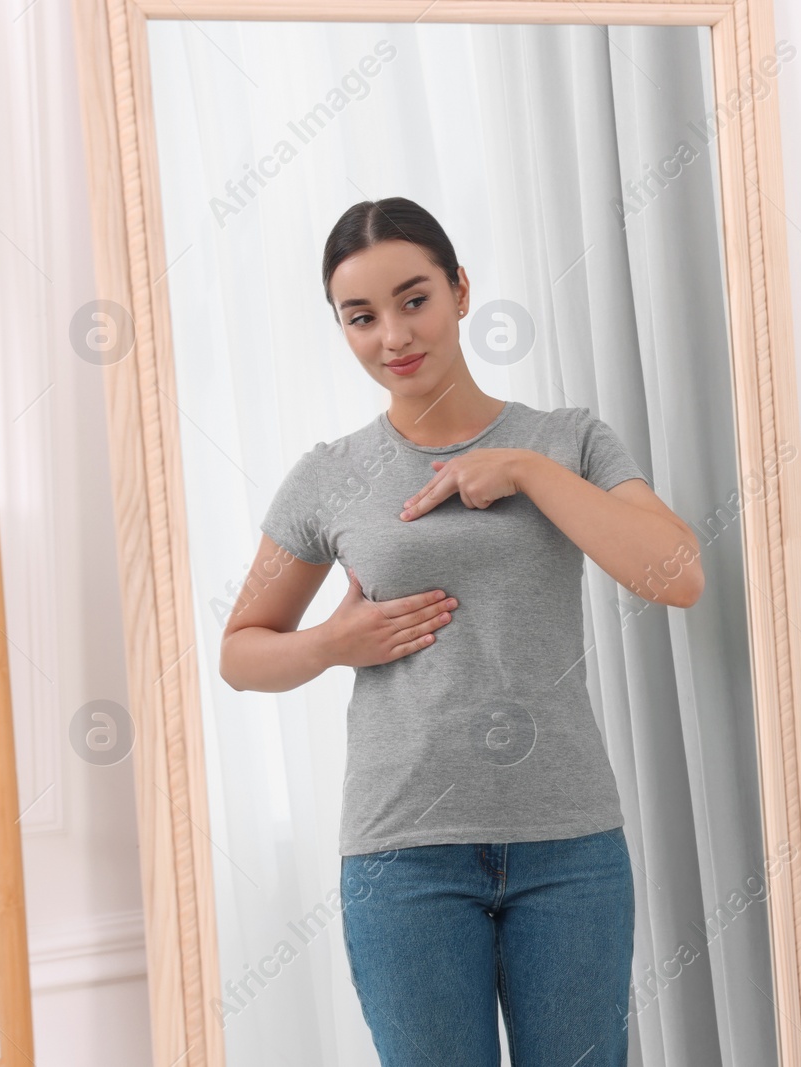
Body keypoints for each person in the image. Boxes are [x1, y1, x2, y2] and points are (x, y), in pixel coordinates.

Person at [218, 197, 703, 1066]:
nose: (393, 336)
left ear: (461, 290)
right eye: (360, 318)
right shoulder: (329, 476)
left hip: (569, 848)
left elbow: (678, 573)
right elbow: (240, 652)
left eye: (414, 300)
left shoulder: (568, 440)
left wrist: (522, 468)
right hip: (404, 859)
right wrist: (336, 641)